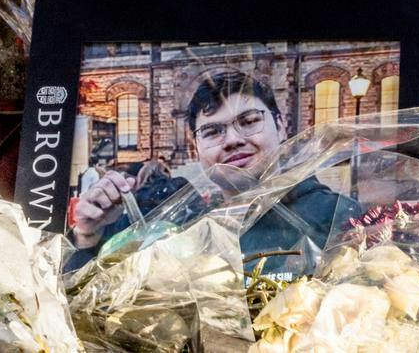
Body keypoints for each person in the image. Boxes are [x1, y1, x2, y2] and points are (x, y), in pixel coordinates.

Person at [68, 71, 355, 277]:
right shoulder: (179, 225)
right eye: (213, 131)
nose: (232, 139)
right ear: (195, 150)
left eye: (249, 121)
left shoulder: (338, 217)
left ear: (281, 126)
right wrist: (88, 236)